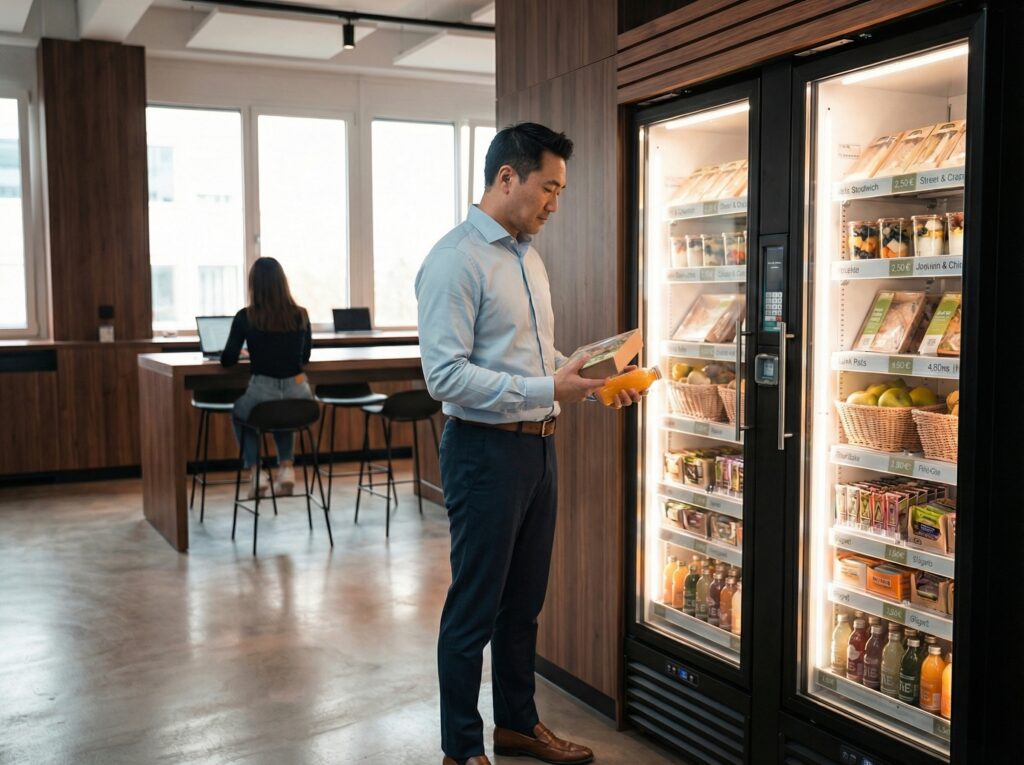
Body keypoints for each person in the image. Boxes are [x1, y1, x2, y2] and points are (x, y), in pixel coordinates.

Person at [416, 123, 641, 765]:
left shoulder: (528, 257)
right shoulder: (454, 259)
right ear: (507, 178)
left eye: (561, 191)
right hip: (483, 454)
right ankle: (462, 749)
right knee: (473, 609)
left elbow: (536, 360)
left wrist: (594, 378)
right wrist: (549, 385)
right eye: (549, 188)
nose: (554, 204)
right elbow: (445, 376)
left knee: (523, 606)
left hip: (539, 450)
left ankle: (516, 725)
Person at [221, 257, 313, 499]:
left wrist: (248, 351)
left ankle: (257, 473)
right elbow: (304, 356)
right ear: (283, 283)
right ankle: (286, 469)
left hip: (262, 391)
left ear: (254, 285)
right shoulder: (301, 314)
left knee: (241, 414)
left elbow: (227, 359)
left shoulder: (245, 317)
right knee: (283, 411)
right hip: (299, 392)